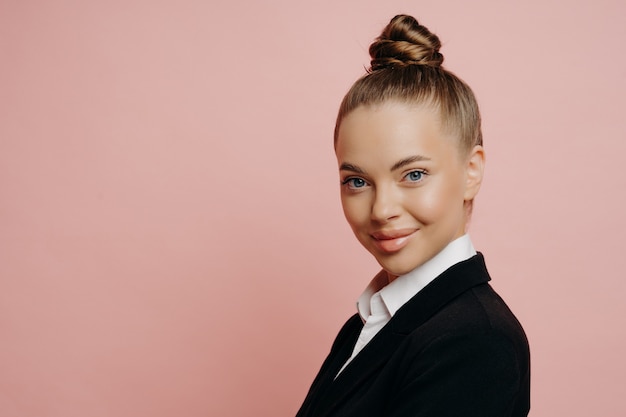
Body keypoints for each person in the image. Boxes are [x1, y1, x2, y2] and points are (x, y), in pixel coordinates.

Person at [295, 14, 530, 417]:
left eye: (413, 175)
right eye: (356, 181)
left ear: (471, 172)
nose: (382, 210)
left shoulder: (475, 341)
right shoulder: (372, 324)